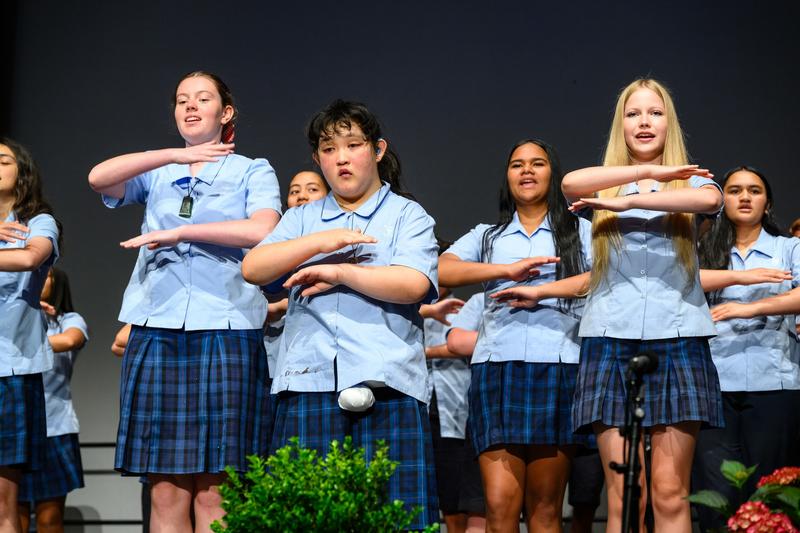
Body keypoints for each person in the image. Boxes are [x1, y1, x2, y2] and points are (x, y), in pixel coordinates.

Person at [88, 70, 281, 532]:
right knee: (166, 489)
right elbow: (98, 178)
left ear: (226, 112)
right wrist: (176, 154)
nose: (190, 107)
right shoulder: (158, 170)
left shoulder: (252, 169)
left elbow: (263, 230)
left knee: (218, 490)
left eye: (203, 99)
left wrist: (182, 231)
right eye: (181, 100)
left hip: (227, 327)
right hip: (158, 327)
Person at [242, 99, 439, 530]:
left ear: (378, 150)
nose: (342, 158)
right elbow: (254, 268)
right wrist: (321, 240)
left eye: (353, 145)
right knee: (305, 521)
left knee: (397, 520)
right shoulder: (303, 218)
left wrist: (340, 272)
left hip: (387, 386)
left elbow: (413, 284)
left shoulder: (408, 215)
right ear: (318, 159)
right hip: (308, 383)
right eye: (329, 149)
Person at [559, 78, 725, 532]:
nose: (644, 122)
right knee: (624, 494)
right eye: (633, 114)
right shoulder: (600, 183)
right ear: (622, 124)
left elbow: (709, 199)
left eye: (654, 112)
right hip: (609, 340)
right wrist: (639, 178)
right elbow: (571, 183)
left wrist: (640, 193)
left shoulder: (692, 179)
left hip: (680, 338)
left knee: (670, 493)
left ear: (668, 121)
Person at [439, 139, 592, 532]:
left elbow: (603, 276)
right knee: (499, 507)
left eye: (537, 163)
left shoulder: (582, 231)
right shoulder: (488, 236)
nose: (526, 171)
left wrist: (542, 290)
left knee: (544, 511)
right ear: (506, 177)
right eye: (517, 165)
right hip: (497, 370)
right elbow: (443, 270)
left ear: (552, 174)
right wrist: (505, 272)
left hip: (557, 367)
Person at [694, 166, 800, 531]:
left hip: (774, 384)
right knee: (715, 496)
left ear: (767, 202)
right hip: (714, 387)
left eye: (754, 190)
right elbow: (683, 284)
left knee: (769, 496)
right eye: (735, 190)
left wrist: (749, 307)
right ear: (720, 200)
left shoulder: (790, 247)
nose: (744, 196)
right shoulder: (702, 251)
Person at [0, 138, 60, 533]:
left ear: (21, 171)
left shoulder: (38, 221)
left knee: (4, 500)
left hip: (11, 367)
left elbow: (29, 257)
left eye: (3, 160)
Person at [18, 268, 88, 533]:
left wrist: (27, 334)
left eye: (45, 275)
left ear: (58, 284)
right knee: (15, 516)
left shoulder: (70, 320)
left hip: (55, 428)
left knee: (50, 520)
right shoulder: (13, 322)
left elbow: (70, 340)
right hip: (18, 429)